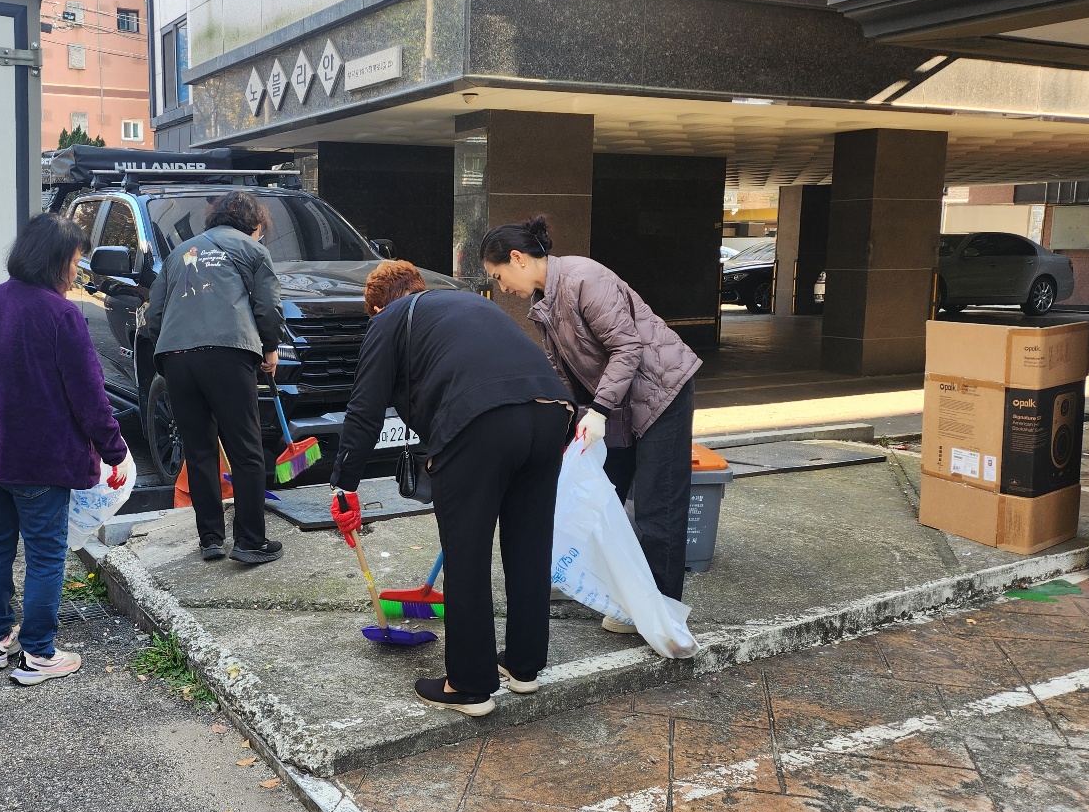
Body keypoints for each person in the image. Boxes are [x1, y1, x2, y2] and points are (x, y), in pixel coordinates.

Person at [328, 261, 573, 717]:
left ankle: (469, 684)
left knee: (467, 554)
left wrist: (345, 483)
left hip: (482, 421)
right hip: (551, 411)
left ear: (379, 306)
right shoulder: (465, 303)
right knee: (530, 545)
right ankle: (523, 666)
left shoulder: (387, 319)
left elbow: (364, 410)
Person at [480, 216, 701, 621]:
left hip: (660, 391)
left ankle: (660, 611)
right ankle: (604, 585)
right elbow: (560, 369)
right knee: (601, 493)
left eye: (498, 276)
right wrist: (562, 419)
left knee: (657, 504)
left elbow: (627, 348)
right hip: (618, 397)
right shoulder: (543, 300)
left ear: (518, 258)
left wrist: (597, 411)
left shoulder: (585, 278)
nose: (502, 288)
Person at [0, 213, 129, 686]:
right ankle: (38, 655)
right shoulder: (61, 314)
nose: (77, 272)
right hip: (38, 458)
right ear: (56, 262)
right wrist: (113, 451)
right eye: (74, 262)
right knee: (46, 555)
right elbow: (89, 395)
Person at [144, 190, 285, 564]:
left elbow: (153, 316)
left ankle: (210, 540)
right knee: (245, 449)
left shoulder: (179, 254)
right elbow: (268, 307)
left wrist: (176, 345)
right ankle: (250, 541)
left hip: (176, 357)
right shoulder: (254, 250)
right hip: (227, 353)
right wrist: (269, 347)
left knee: (199, 449)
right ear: (255, 223)